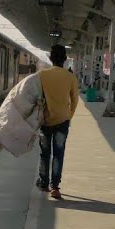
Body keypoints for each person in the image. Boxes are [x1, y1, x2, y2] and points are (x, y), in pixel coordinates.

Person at [37, 44, 79, 200]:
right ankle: (55, 187)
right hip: (62, 120)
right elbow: (75, 100)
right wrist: (69, 115)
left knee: (45, 153)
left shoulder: (42, 75)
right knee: (58, 154)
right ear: (65, 59)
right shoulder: (70, 77)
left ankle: (44, 183)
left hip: (45, 120)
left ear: (50, 58)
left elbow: (36, 97)